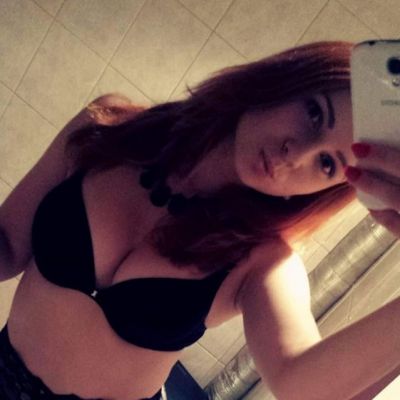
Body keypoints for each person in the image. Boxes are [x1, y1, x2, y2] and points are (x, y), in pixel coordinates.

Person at [0, 40, 399, 400]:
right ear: (283, 81)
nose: (295, 155)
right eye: (314, 114)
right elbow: (9, 244)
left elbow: (302, 386)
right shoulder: (107, 130)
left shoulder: (264, 262)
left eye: (327, 163)